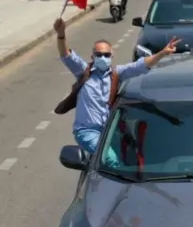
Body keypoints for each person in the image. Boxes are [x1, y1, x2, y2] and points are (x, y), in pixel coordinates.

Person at [53, 18, 180, 166]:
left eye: (106, 55)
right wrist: (61, 35)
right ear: (92, 56)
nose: (102, 58)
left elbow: (140, 65)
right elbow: (67, 56)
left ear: (111, 56)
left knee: (136, 152)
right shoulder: (84, 72)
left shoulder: (117, 74)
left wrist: (163, 53)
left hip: (110, 132)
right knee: (110, 159)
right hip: (88, 132)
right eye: (99, 54)